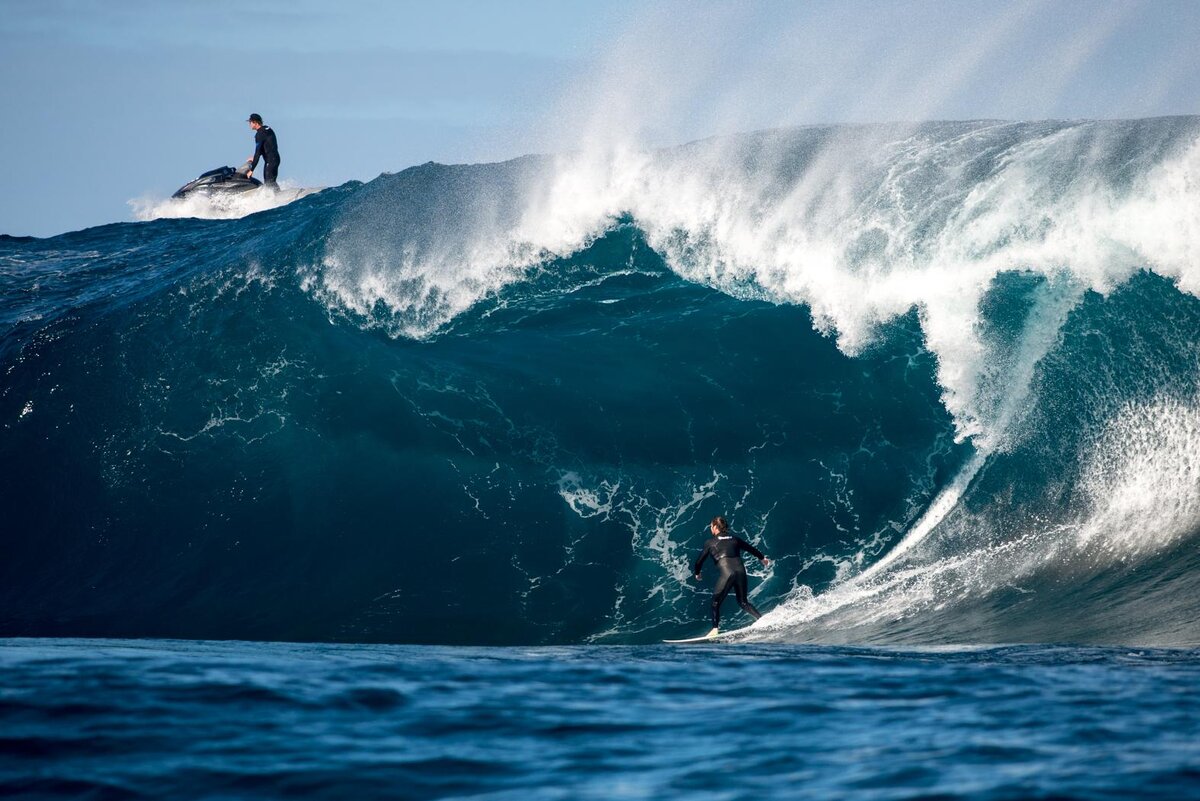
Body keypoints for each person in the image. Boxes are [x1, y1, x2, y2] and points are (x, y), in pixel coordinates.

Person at [692, 516, 770, 638]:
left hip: (727, 573)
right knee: (743, 602)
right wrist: (762, 558)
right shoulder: (735, 539)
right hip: (741, 571)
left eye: (711, 526)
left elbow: (699, 561)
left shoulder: (710, 542)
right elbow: (751, 549)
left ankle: (715, 629)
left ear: (716, 527)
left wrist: (697, 573)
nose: (710, 529)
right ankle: (761, 620)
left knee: (715, 603)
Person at [245, 113, 280, 190]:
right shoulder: (268, 128)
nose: (249, 124)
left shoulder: (259, 134)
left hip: (270, 161)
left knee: (269, 183)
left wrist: (251, 170)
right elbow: (268, 145)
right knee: (271, 182)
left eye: (250, 122)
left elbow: (257, 153)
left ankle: (278, 196)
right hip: (276, 159)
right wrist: (254, 157)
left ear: (255, 122)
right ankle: (279, 194)